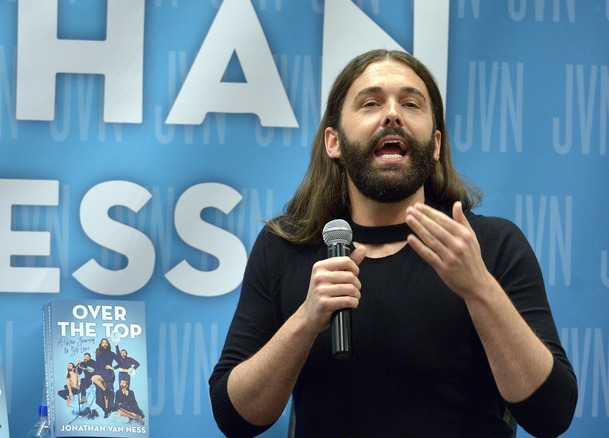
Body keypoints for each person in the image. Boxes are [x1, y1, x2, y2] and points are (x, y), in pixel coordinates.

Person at [210, 49, 577, 438]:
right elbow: (234, 418)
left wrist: (480, 289)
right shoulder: (285, 246)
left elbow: (551, 414)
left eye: (411, 104)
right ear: (333, 142)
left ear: (435, 145)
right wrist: (305, 320)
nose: (392, 115)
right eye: (370, 103)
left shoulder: (490, 245)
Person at [91, 338, 120, 417]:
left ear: (108, 344)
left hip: (109, 374)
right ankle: (106, 408)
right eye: (103, 342)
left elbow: (120, 362)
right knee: (95, 379)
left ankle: (107, 409)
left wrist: (113, 368)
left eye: (106, 343)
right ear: (101, 344)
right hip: (100, 373)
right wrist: (95, 372)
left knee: (105, 392)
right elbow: (97, 365)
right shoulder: (98, 353)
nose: (104, 344)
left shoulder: (111, 353)